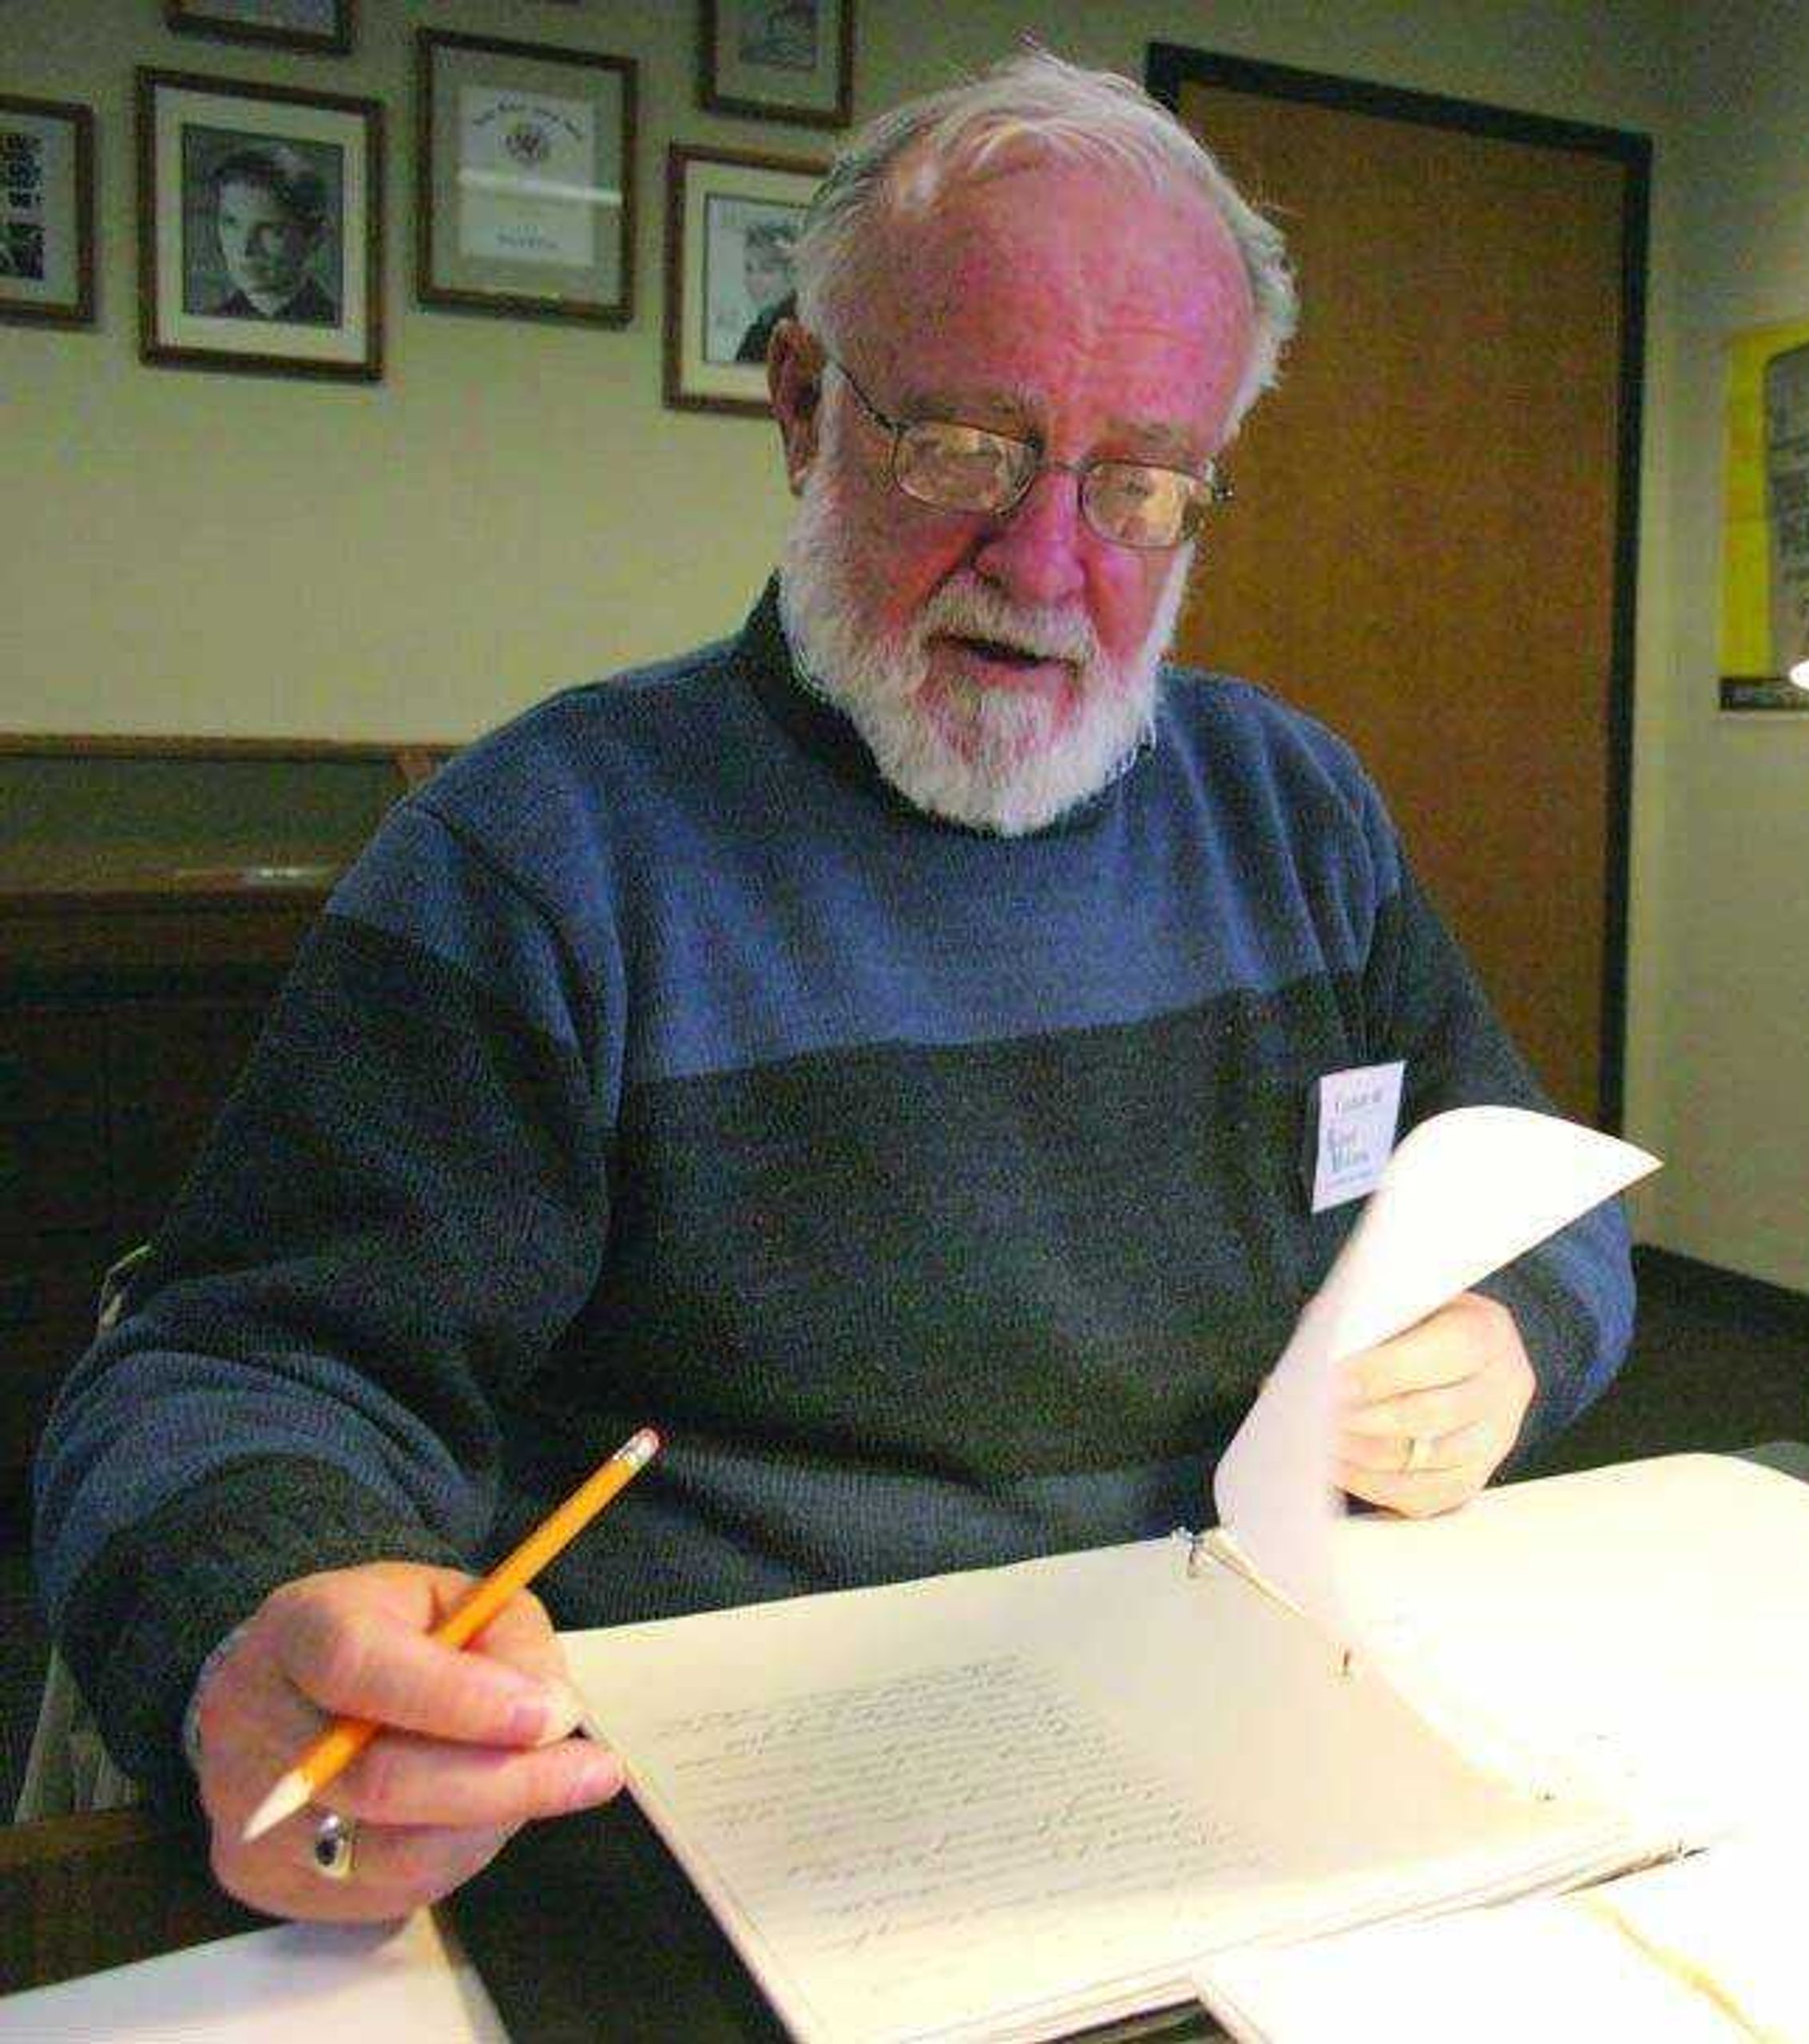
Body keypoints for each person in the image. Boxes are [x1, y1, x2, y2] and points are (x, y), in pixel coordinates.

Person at [35, 47, 1633, 1926]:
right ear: (801, 404)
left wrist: (1515, 1331)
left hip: (1258, 1742)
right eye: (964, 449)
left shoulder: (1293, 807)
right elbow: (236, 1364)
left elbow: (1530, 1176)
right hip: (746, 1820)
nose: (1045, 566)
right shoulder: (546, 855)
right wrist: (270, 1600)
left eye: (1136, 488)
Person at [203, 145, 336, 324]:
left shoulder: (336, 322)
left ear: (314, 238)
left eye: (270, 230)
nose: (245, 249)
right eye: (231, 223)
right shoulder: (207, 324)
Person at [731, 217, 797, 363]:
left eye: (767, 270)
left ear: (791, 273)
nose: (754, 280)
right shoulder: (758, 330)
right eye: (749, 269)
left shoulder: (797, 333)